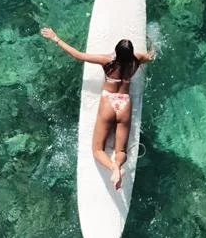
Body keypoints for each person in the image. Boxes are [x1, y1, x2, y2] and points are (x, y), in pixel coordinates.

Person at [40, 27, 154, 189]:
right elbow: (151, 56)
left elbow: (78, 55)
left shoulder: (107, 61)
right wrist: (152, 43)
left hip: (108, 102)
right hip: (124, 104)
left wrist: (56, 38)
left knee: (97, 150)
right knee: (121, 150)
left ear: (116, 52)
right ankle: (118, 163)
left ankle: (114, 168)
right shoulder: (137, 59)